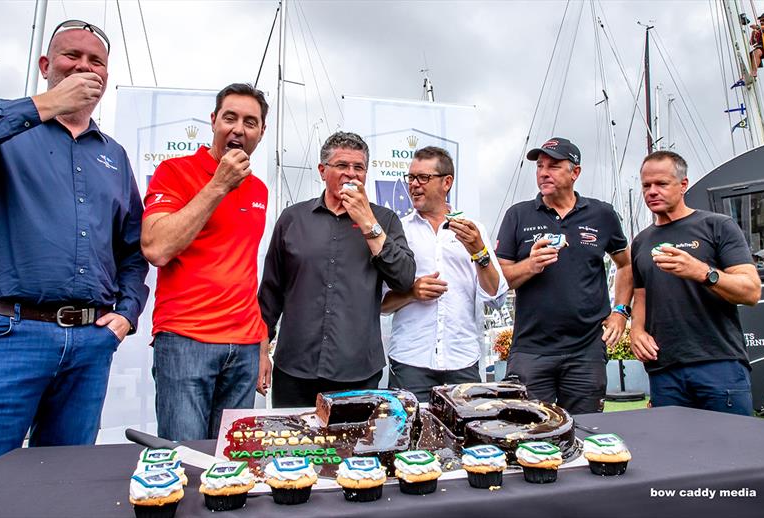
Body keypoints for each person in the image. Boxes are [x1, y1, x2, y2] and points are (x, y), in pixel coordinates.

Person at [0, 20, 149, 458]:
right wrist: (43, 105)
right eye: (71, 56)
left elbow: (133, 249)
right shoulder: (8, 131)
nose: (84, 66)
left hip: (90, 343)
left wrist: (127, 313)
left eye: (95, 61)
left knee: (68, 473)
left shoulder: (113, 155)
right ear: (46, 65)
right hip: (11, 334)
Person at [141, 83, 271, 440]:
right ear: (213, 121)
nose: (238, 129)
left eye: (250, 122)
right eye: (230, 118)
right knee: (185, 460)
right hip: (186, 341)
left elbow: (243, 267)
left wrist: (261, 342)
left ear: (261, 132)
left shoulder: (259, 188)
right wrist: (218, 185)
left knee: (232, 463)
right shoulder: (174, 171)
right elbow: (157, 248)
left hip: (244, 347)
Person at [260, 131, 416, 407]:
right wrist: (261, 350)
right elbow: (271, 292)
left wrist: (369, 224)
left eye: (359, 168)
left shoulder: (385, 220)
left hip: (357, 371)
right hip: (294, 369)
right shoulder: (293, 219)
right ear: (322, 171)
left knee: (356, 450)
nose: (351, 174)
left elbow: (404, 278)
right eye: (342, 166)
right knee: (293, 448)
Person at [495, 137, 632, 415]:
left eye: (554, 166)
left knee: (586, 432)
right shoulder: (518, 215)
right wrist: (530, 265)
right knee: (528, 435)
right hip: (530, 351)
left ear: (575, 173)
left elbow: (626, 264)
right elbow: (499, 280)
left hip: (586, 351)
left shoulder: (601, 214)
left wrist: (620, 311)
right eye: (540, 166)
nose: (543, 172)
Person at [630, 151, 761, 415]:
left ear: (683, 185)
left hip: (719, 363)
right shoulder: (641, 241)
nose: (652, 191)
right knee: (675, 453)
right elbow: (641, 295)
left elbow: (751, 291)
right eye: (646, 185)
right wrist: (636, 331)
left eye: (661, 184)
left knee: (732, 451)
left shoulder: (716, 226)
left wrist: (702, 272)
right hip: (664, 368)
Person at [381, 146, 508, 402]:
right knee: (409, 438)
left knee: (466, 438)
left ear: (446, 182)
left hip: (462, 362)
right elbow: (381, 305)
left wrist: (479, 251)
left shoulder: (474, 231)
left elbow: (497, 297)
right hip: (410, 362)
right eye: (411, 178)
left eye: (423, 178)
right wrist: (412, 292)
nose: (414, 185)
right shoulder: (398, 231)